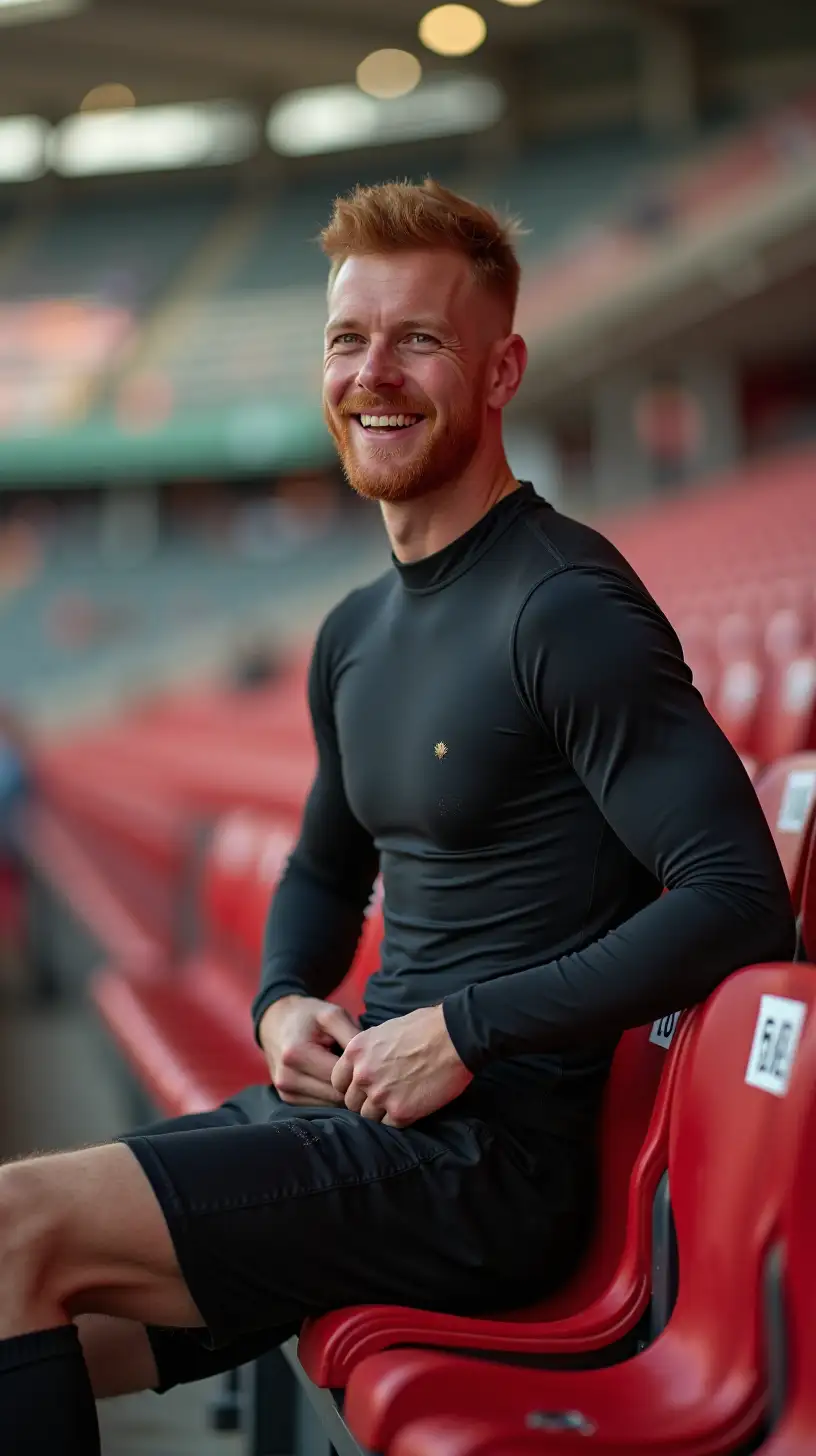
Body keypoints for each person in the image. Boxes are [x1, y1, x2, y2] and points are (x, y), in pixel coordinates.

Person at [0, 181, 796, 1452]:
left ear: (500, 369)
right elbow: (323, 867)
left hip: (491, 1172)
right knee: (15, 1300)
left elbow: (740, 896)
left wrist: (467, 1033)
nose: (374, 371)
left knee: (13, 1228)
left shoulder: (566, 604)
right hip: (366, 1123)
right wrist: (279, 1001)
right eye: (346, 338)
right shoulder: (354, 631)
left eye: (418, 338)